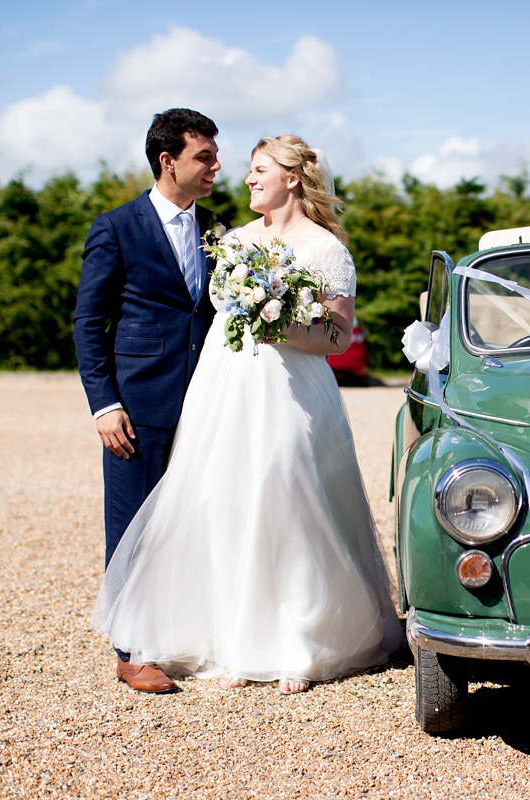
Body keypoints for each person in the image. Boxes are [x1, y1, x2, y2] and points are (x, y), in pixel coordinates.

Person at [91, 135, 402, 695]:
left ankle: (299, 643)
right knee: (225, 501)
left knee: (288, 494)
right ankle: (236, 641)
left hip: (292, 391)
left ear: (291, 178)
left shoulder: (325, 249)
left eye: (260, 170)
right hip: (226, 386)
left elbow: (336, 336)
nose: (248, 179)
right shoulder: (232, 240)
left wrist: (277, 320)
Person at [75, 108, 220, 693]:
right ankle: (131, 651)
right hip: (137, 405)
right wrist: (104, 405)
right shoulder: (115, 227)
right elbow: (89, 321)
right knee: (131, 522)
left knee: (194, 521)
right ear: (168, 161)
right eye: (204, 157)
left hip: (208, 400)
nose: (215, 166)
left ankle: (185, 631)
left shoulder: (220, 229)